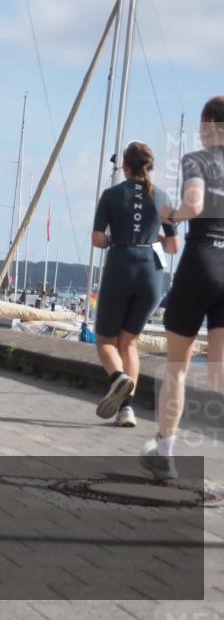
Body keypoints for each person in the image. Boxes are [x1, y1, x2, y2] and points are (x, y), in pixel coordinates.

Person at [142, 97, 224, 480]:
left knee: (177, 367)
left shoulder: (198, 160)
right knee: (219, 373)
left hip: (201, 263)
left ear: (207, 126)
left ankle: (164, 452)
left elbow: (193, 205)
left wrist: (170, 215)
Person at [91, 141, 180, 427]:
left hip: (121, 265)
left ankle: (118, 378)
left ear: (125, 166)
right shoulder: (163, 197)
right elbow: (173, 247)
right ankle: (126, 411)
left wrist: (114, 238)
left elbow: (98, 239)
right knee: (129, 342)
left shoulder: (111, 195)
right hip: (151, 273)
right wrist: (154, 237)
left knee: (106, 341)